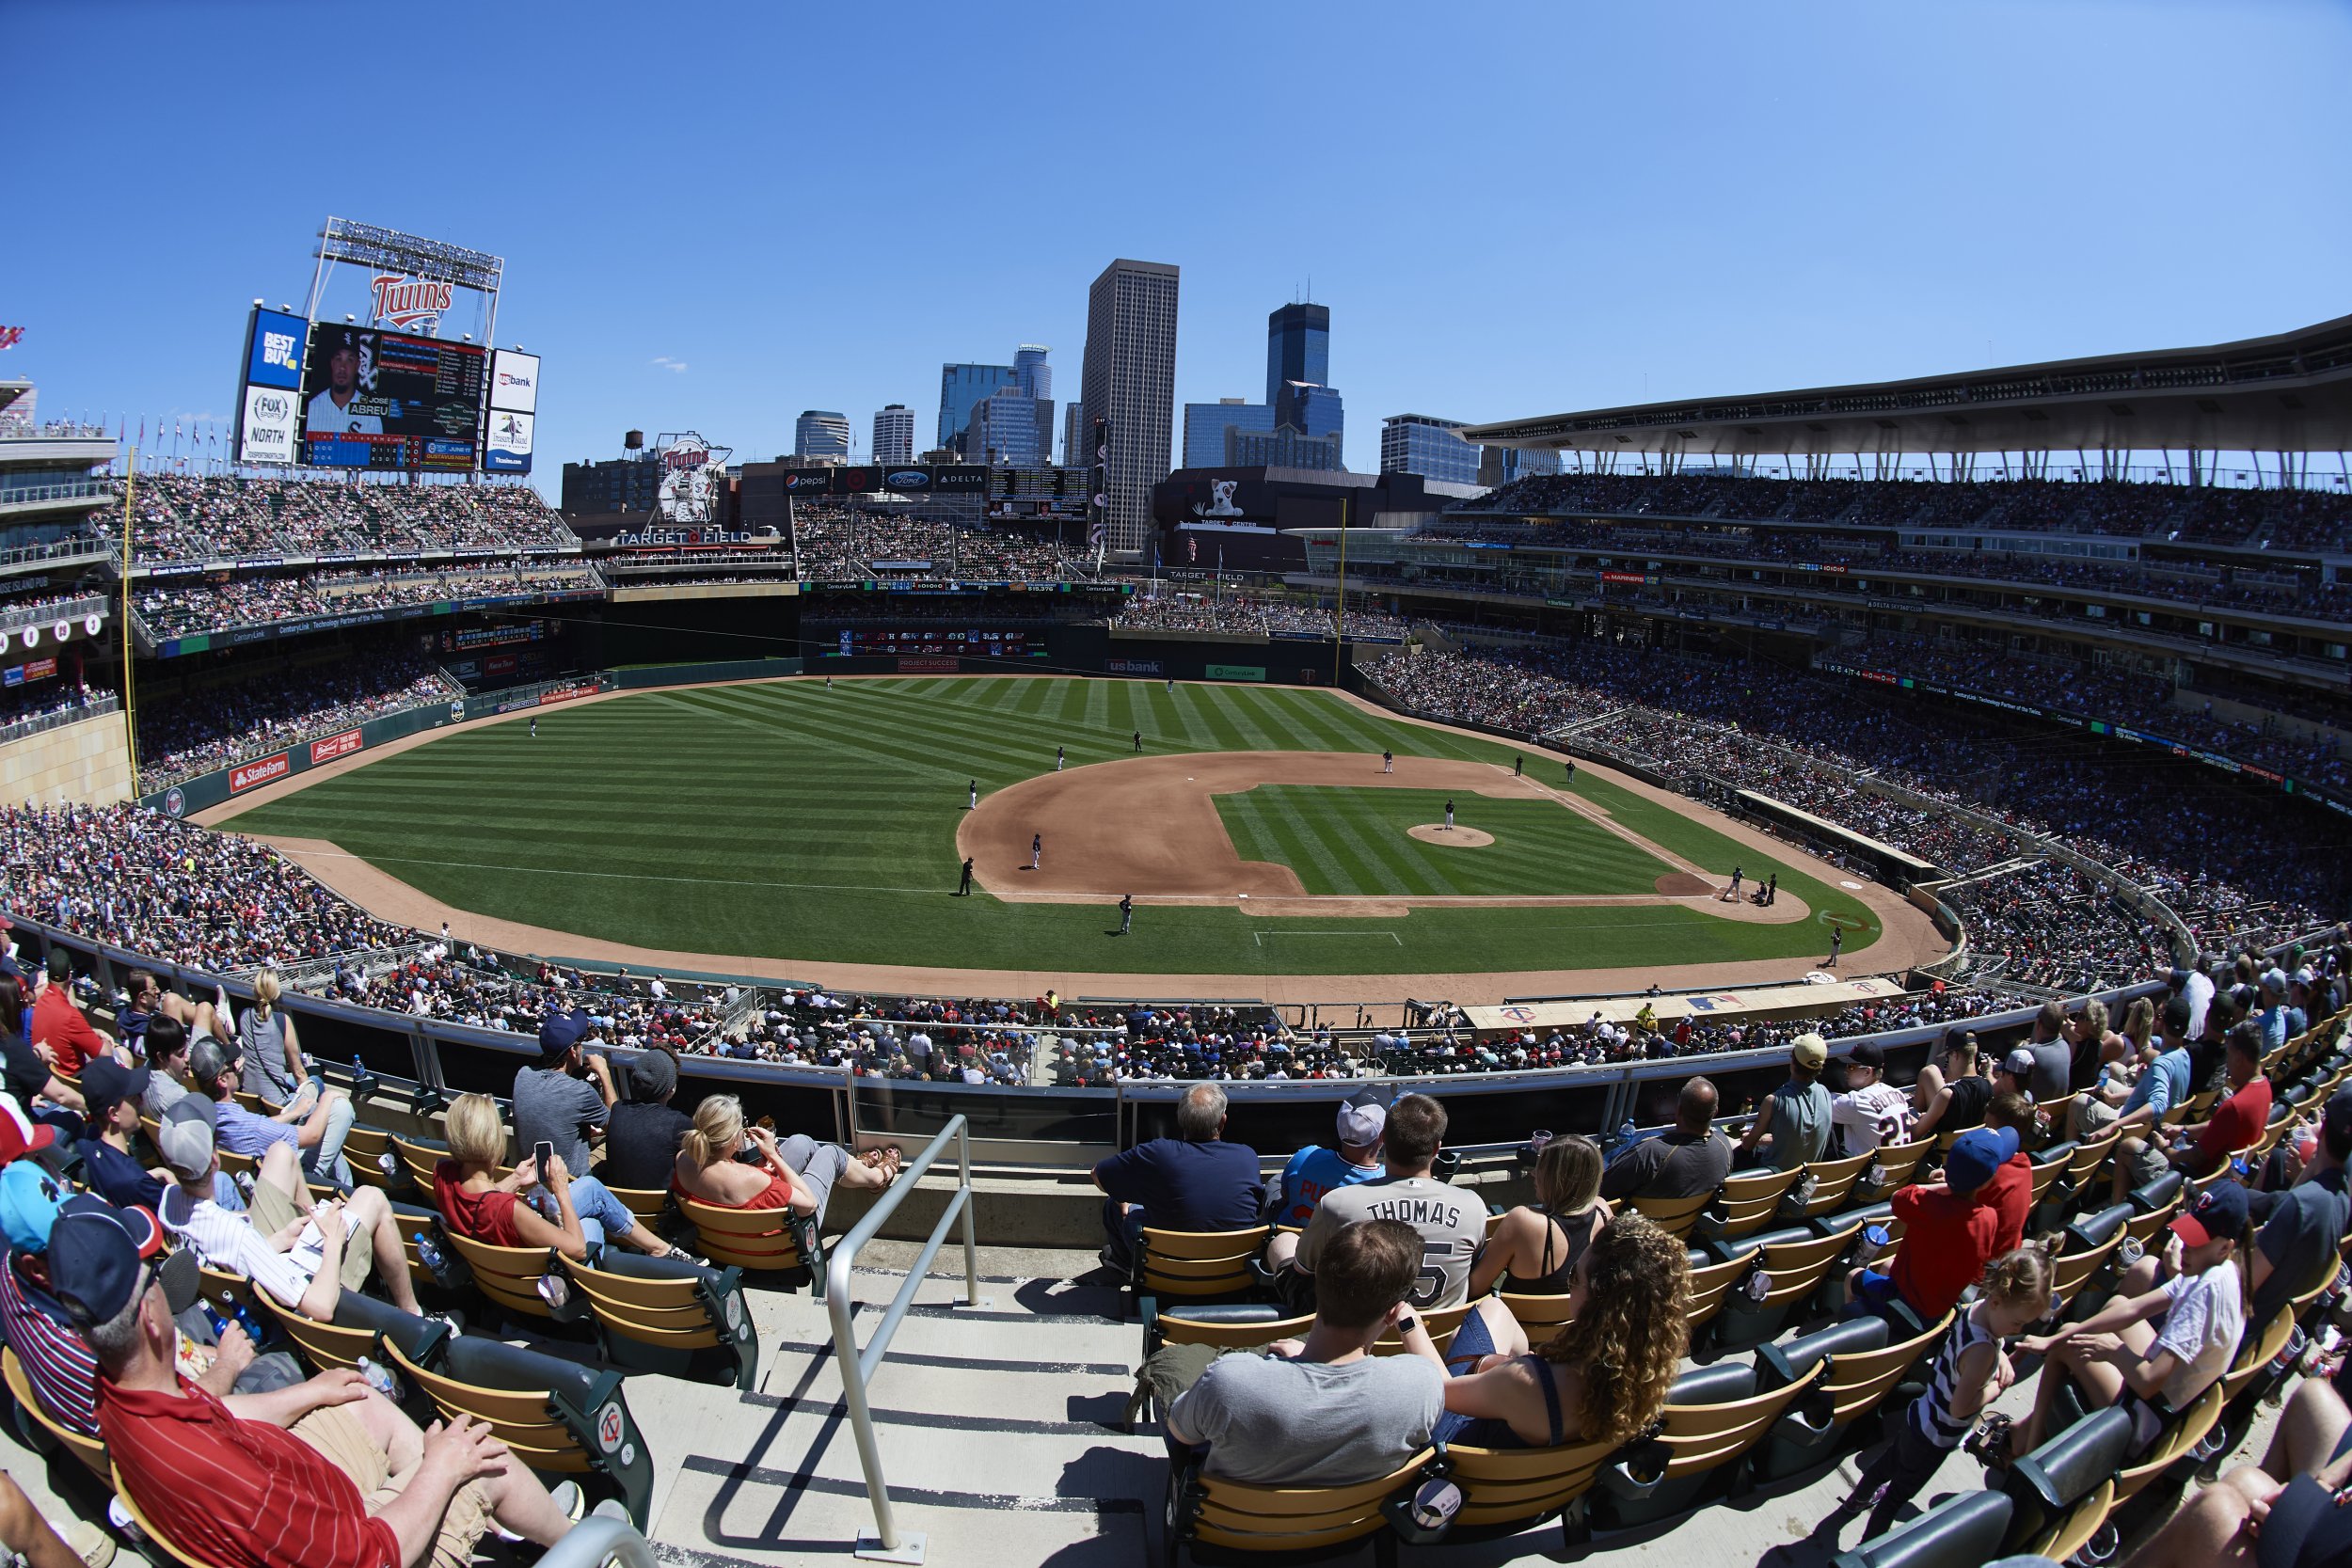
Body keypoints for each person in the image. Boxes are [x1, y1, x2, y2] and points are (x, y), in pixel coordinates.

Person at [59, 1198, 616, 1568]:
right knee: (479, 1453)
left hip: (294, 1479)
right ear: (153, 1319)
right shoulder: (229, 1482)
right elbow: (367, 1555)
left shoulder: (117, 1394)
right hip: (353, 1536)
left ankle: (489, 1514)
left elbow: (213, 1411)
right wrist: (442, 1469)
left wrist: (311, 1391)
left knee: (356, 1394)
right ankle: (578, 1546)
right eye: (152, 1278)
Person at [1164, 1218, 1442, 1486]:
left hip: (1231, 1532)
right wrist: (1410, 1324)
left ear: (1317, 1277)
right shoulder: (1421, 1386)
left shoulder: (1230, 1380)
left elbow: (1181, 1433)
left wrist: (1299, 1365)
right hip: (1354, 1528)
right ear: (1395, 1309)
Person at [1829, 1249, 2054, 1545]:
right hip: (1935, 1437)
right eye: (2018, 1324)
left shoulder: (1977, 1308)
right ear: (1998, 1302)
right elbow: (1961, 1407)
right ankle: (1866, 1551)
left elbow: (1994, 1334)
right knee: (1896, 1497)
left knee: (1886, 1465)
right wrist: (1995, 1390)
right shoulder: (1983, 1351)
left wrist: (2002, 1355)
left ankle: (1854, 1502)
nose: (2019, 1330)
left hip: (1920, 1414)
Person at [1405, 1215, 1688, 1451]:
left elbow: (1439, 1391)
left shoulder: (1528, 1382)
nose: (1570, 1286)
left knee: (1480, 1319)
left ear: (1597, 1304)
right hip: (1546, 1469)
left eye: (1575, 1277)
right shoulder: (1647, 1373)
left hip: (1456, 1454)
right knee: (1496, 1310)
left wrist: (1409, 1322)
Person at [2010, 1180, 2250, 1457]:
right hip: (2161, 1398)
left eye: (2196, 1243)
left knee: (2069, 1344)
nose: (2184, 1248)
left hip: (2147, 1420)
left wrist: (2113, 1350)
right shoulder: (2223, 1268)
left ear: (2224, 1247)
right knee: (2115, 1303)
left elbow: (2148, 1382)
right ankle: (2028, 1430)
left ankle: (2025, 1447)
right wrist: (2050, 1339)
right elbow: (2132, 1310)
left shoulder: (2208, 1290)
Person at [154, 1098, 439, 1324]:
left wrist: (277, 1240)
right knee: (372, 1197)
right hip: (298, 1303)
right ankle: (414, 1317)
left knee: (280, 1151)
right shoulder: (237, 1237)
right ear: (215, 1160)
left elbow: (230, 1252)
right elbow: (320, 1307)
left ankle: (313, 1221)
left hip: (254, 1265)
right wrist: (331, 1242)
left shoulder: (167, 1202)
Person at [1277, 1094, 1483, 1311]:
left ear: (1384, 1138)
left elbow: (1304, 1271)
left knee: (1283, 1242)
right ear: (1436, 1148)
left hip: (1362, 1334)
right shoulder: (1473, 1206)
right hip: (1438, 1337)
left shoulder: (1337, 1203)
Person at [433, 1094, 693, 1264]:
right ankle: (660, 1250)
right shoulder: (509, 1210)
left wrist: (514, 1180)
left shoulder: (443, 1173)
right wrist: (560, 1190)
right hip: (545, 1276)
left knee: (591, 1187)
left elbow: (480, 1202)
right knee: (591, 1218)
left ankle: (658, 1248)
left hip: (501, 1256)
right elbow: (578, 1248)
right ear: (493, 1141)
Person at [1849, 1125, 2017, 1323]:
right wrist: (1954, 1187)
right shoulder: (1989, 1217)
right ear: (1986, 1182)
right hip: (1940, 1307)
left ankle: (1854, 1328)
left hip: (1905, 1303)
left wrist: (1945, 1186)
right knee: (1887, 1266)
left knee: (1852, 1276)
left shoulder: (1928, 1204)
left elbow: (1897, 1198)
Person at [1091, 1083, 1263, 1270]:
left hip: (1169, 1272)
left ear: (1179, 1118)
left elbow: (1098, 1174)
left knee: (1114, 1206)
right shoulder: (1247, 1156)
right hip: (1230, 1273)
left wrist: (1122, 1201)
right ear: (1223, 1121)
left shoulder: (1157, 1152)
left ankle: (1125, 1265)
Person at [671, 1093, 896, 1225]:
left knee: (801, 1142)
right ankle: (876, 1177)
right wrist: (771, 1155)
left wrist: (764, 1167)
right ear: (733, 1140)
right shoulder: (750, 1178)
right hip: (786, 1243)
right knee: (830, 1153)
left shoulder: (683, 1160)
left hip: (726, 1238)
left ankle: (855, 1166)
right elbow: (810, 1204)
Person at [2244, 1088, 2352, 1332]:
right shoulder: (2342, 1199)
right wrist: (2313, 1164)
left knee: (2146, 1270)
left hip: (2237, 1324)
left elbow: (2242, 1286)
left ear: (2322, 1130)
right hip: (2266, 1320)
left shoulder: (2301, 1205)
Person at [2127, 1024, 2272, 1191]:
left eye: (2229, 1055)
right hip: (2219, 1176)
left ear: (2239, 1058)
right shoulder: (2265, 1088)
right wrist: (2182, 1129)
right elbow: (2218, 1126)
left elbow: (2194, 1158)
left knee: (2129, 1146)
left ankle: (2126, 1212)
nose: (2227, 1065)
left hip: (2193, 1179)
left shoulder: (2234, 1107)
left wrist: (2164, 1149)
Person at [198, 1038, 354, 1190]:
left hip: (259, 1176)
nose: (237, 1067)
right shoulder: (250, 1125)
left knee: (311, 1112)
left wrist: (293, 1113)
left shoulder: (204, 1115)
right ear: (223, 1080)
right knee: (340, 1108)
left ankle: (345, 1188)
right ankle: (345, 1192)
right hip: (293, 1181)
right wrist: (328, 1097)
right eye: (232, 1066)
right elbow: (311, 1136)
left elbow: (255, 1129)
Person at [1470, 1133, 1608, 1297]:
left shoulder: (1522, 1221)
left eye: (1541, 1168)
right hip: (1574, 1319)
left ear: (1558, 1179)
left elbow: (1475, 1289)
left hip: (1515, 1320)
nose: (1533, 1173)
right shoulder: (1603, 1211)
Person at [513, 1011, 615, 1179]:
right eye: (581, 1043)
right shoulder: (580, 1091)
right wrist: (604, 1072)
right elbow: (616, 1127)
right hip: (570, 1185)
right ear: (573, 1051)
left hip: (531, 1179)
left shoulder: (522, 1075)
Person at [1601, 1077, 1731, 1201]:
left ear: (1678, 1110)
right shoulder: (1724, 1146)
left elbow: (1601, 1188)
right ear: (1715, 1112)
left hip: (1640, 1222)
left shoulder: (1650, 1153)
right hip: (1687, 1221)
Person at [1269, 1097, 1386, 1227]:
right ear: (1382, 1136)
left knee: (1275, 1181)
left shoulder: (1306, 1156)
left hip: (1289, 1237)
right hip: (1337, 1245)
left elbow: (1285, 1195)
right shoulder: (1384, 1182)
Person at [1736, 1034, 1833, 1171]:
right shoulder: (1826, 1093)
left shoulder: (1773, 1101)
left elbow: (1747, 1145)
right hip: (1803, 1177)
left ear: (1793, 1062)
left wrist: (1752, 1138)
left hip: (1771, 1178)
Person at [601, 1050, 692, 1192]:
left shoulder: (617, 1110)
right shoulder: (680, 1123)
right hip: (661, 1210)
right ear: (672, 1089)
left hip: (618, 1203)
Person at [29, 954, 112, 1077]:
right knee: (121, 1053)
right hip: (75, 1081)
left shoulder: (40, 1003)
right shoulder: (70, 1015)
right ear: (69, 976)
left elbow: (67, 1031)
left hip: (52, 1077)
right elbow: (105, 1055)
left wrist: (94, 1032)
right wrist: (106, 1041)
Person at [1829, 1042, 1912, 1156]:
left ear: (1867, 1072)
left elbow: (1820, 1104)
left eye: (1851, 1066)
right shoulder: (1898, 1094)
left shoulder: (1857, 1101)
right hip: (1903, 1167)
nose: (1846, 1071)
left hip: (1874, 1171)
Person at [1910, 1031, 1990, 1141]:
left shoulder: (1947, 1094)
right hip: (1970, 1146)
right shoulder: (1988, 1086)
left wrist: (1915, 1119)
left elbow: (1914, 1134)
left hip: (1942, 1153)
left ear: (1955, 1055)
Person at [305, 325, 383, 436]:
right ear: (332, 363)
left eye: (349, 360)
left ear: (357, 365)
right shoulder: (313, 407)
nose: (342, 367)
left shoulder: (371, 415)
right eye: (338, 359)